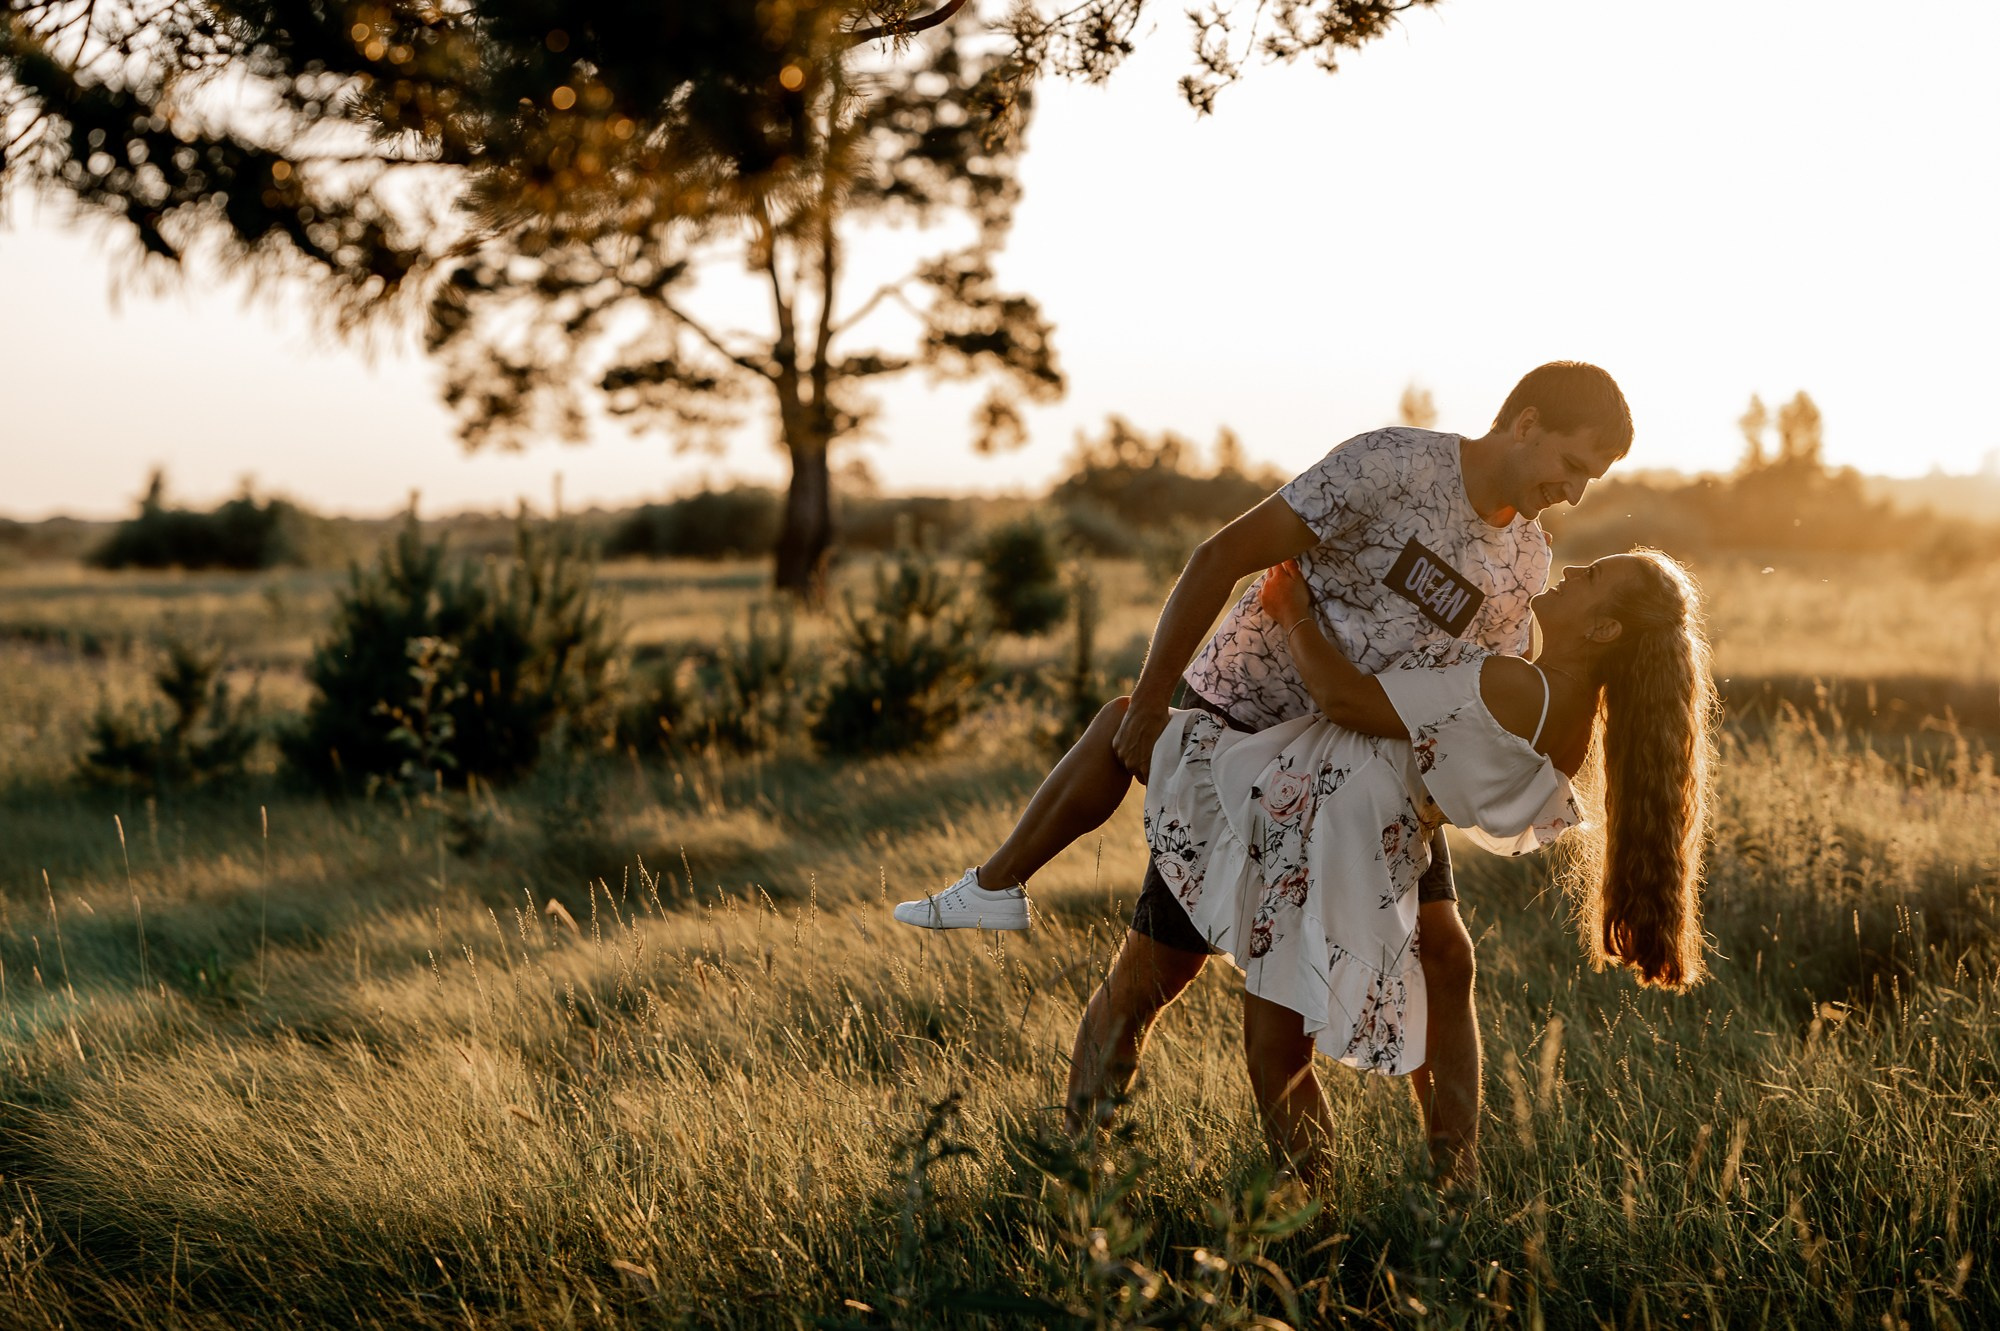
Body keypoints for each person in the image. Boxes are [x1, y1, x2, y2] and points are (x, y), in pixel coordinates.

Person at [894, 362, 1634, 1186]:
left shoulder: (1525, 563)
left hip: (1366, 774)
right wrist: (1148, 705)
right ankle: (1074, 1167)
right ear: (1526, 423)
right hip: (1247, 735)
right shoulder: (1386, 466)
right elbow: (1220, 557)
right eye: (1570, 465)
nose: (1571, 492)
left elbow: (1456, 710)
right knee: (1156, 974)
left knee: (1444, 954)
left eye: (1589, 480)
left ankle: (1452, 1181)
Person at [914, 548, 1718, 1183]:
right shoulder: (1567, 714)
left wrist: (1295, 611)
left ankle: (996, 884)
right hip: (1377, 829)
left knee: (1128, 725)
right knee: (1308, 1026)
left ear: (1607, 631)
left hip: (1316, 815)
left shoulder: (1514, 684)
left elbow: (1344, 699)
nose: (1572, 572)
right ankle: (1408, 1191)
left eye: (1592, 578)